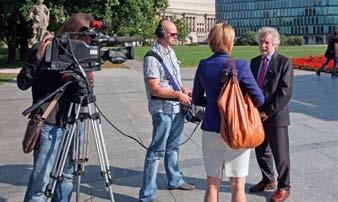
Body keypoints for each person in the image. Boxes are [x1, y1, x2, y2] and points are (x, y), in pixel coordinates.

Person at [17, 13, 94, 202]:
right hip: (49, 123)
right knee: (41, 185)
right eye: (84, 36)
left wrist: (87, 77)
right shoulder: (45, 48)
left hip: (73, 122)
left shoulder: (82, 53)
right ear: (73, 31)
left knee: (67, 176)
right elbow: (22, 82)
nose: (87, 41)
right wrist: (38, 57)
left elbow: (85, 95)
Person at [192, 22, 265, 202]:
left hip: (210, 129)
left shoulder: (203, 65)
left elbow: (196, 99)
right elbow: (260, 98)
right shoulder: (240, 65)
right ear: (230, 42)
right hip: (236, 129)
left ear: (211, 40)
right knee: (237, 185)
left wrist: (213, 101)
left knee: (212, 184)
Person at [139, 19, 195, 202]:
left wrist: (184, 89)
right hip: (163, 110)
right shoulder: (151, 57)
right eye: (172, 34)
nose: (176, 36)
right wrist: (178, 95)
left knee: (173, 146)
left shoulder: (171, 52)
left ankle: (175, 179)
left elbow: (172, 80)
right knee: (156, 152)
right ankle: (147, 195)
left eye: (176, 33)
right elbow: (155, 88)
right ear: (161, 33)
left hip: (177, 108)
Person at [249, 27, 294, 202]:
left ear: (274, 42)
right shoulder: (254, 62)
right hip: (256, 116)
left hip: (276, 117)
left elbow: (285, 92)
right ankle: (268, 180)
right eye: (260, 41)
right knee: (261, 151)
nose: (263, 45)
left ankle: (284, 187)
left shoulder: (284, 62)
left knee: (280, 155)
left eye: (267, 42)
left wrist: (267, 112)